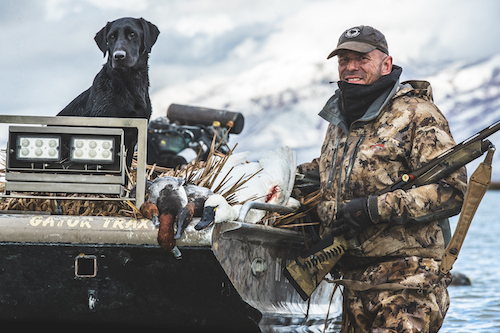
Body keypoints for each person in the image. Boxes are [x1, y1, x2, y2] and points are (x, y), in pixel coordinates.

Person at [298, 26, 467, 332]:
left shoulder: (418, 114)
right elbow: (330, 175)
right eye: (344, 59)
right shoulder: (340, 120)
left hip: (408, 285)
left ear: (386, 64)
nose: (350, 66)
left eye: (361, 58)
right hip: (354, 285)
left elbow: (451, 192)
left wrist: (372, 208)